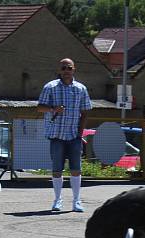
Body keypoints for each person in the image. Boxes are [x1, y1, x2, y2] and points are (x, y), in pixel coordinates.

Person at [37, 58, 92, 212]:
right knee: (56, 170)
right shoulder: (50, 87)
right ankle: (57, 200)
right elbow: (40, 107)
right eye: (64, 68)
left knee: (76, 169)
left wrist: (80, 133)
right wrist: (54, 108)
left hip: (74, 135)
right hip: (56, 135)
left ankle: (76, 201)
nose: (66, 70)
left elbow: (85, 112)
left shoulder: (81, 89)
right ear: (59, 70)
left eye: (69, 68)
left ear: (74, 69)